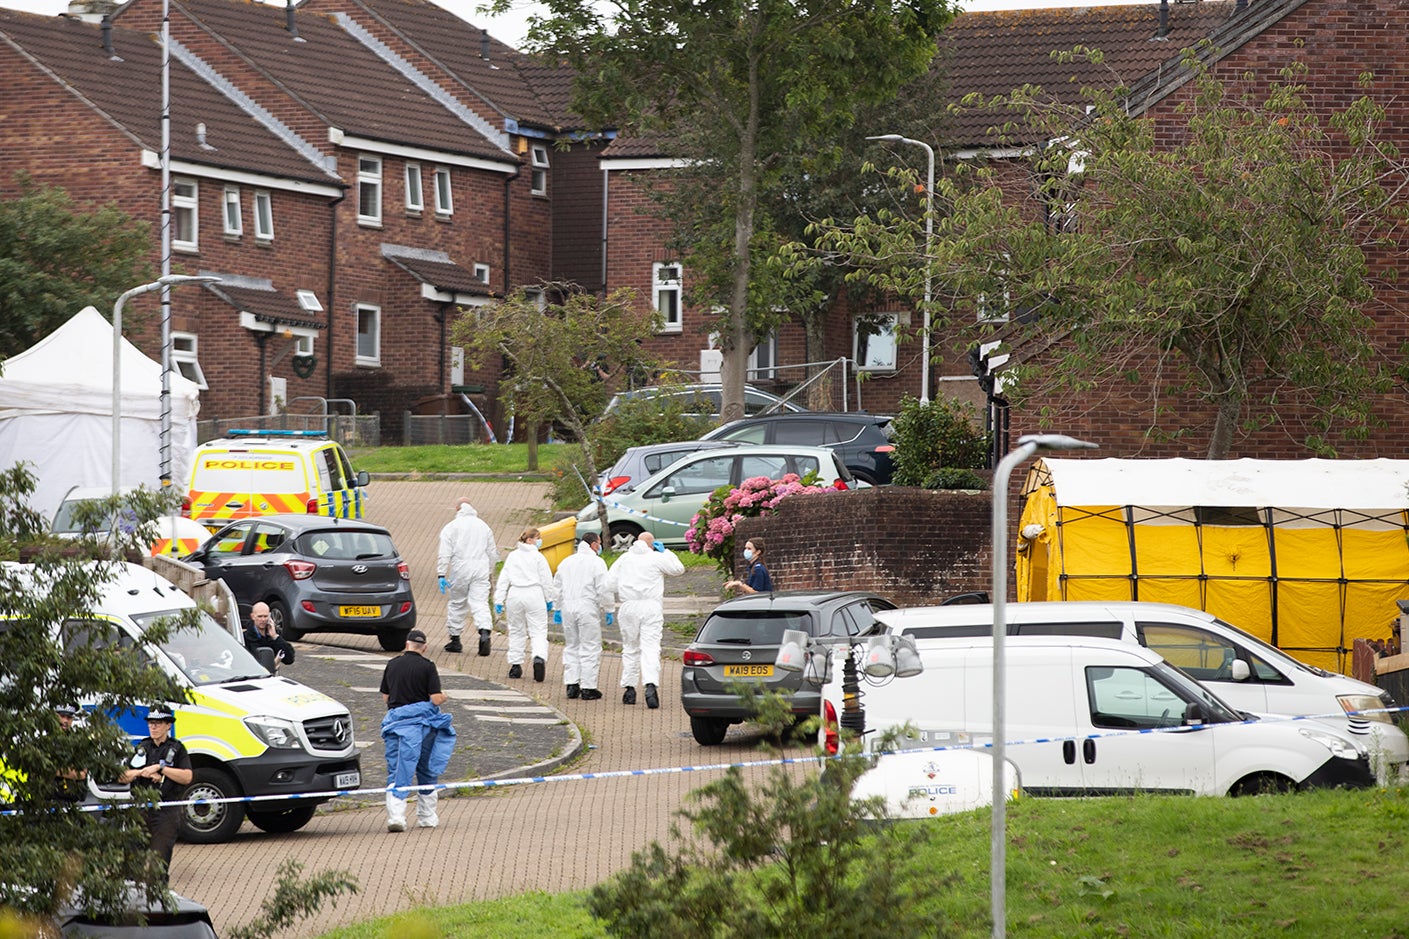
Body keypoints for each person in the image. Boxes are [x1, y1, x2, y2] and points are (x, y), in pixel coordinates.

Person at [379, 629, 456, 832]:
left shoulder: (392, 664)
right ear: (425, 648)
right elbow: (435, 698)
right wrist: (445, 696)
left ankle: (396, 816)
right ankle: (427, 817)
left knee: (397, 768)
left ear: (406, 645)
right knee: (427, 767)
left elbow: (386, 698)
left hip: (397, 726)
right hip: (423, 726)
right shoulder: (427, 667)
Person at [606, 532, 683, 709]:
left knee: (630, 648)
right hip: (650, 606)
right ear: (652, 544)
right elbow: (678, 569)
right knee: (650, 647)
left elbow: (608, 584)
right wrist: (666, 553)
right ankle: (650, 685)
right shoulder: (656, 557)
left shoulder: (624, 559)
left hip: (628, 606)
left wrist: (627, 585)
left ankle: (629, 689)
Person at [118, 705, 193, 882]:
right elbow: (122, 776)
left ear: (168, 725)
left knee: (158, 865)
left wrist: (161, 768)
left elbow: (187, 777)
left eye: (158, 723)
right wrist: (141, 772)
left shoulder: (177, 748)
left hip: (165, 811)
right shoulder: (142, 747)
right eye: (151, 723)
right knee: (132, 863)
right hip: (140, 810)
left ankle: (158, 901)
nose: (153, 727)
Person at [493, 527, 558, 682]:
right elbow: (546, 580)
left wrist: (499, 600)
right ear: (529, 540)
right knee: (538, 630)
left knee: (516, 630)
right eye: (537, 538)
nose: (539, 541)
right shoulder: (538, 557)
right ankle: (539, 657)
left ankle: (515, 665)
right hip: (534, 594)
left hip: (515, 594)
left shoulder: (513, 556)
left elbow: (504, 578)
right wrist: (550, 599)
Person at [437, 498, 501, 655]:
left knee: (457, 603)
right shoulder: (483, 526)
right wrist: (490, 569)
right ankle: (485, 631)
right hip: (481, 568)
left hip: (460, 568)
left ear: (457, 509)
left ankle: (455, 639)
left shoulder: (451, 527)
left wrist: (441, 573)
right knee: (480, 602)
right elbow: (492, 551)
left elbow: (444, 553)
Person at [553, 531, 610, 700]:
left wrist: (557, 607)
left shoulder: (566, 562)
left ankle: (572, 684)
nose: (600, 546)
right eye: (599, 543)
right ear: (593, 544)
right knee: (590, 646)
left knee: (572, 646)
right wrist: (609, 609)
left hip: (567, 607)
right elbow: (603, 588)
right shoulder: (597, 563)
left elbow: (557, 586)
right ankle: (588, 687)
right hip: (587, 607)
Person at [52, 704, 88, 804]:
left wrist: (55, 770)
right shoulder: (45, 740)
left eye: (69, 718)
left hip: (71, 800)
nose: (65, 721)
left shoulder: (77, 742)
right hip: (49, 798)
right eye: (62, 716)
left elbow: (82, 774)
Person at [245, 601, 296, 666]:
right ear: (252, 617)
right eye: (260, 616)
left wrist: (275, 637)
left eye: (265, 616)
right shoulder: (245, 638)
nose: (263, 619)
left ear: (269, 616)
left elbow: (289, 659)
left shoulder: (273, 637)